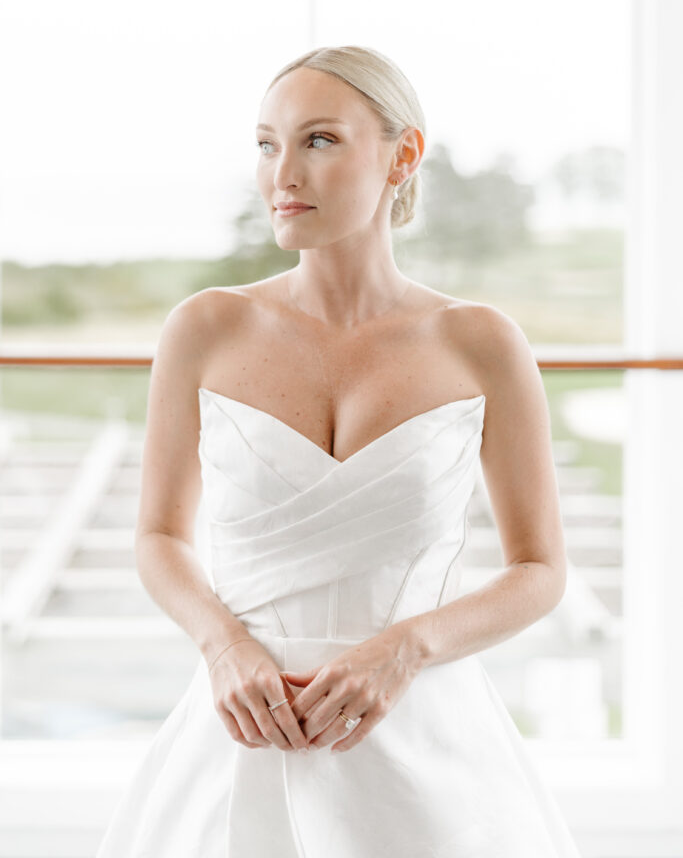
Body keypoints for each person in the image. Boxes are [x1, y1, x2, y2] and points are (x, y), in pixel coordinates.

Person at [96, 44, 583, 856]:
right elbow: (158, 538)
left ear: (403, 155)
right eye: (266, 143)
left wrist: (405, 648)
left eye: (318, 141)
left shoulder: (480, 342)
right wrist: (223, 647)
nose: (282, 174)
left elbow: (540, 570)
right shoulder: (204, 329)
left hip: (423, 732)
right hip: (240, 727)